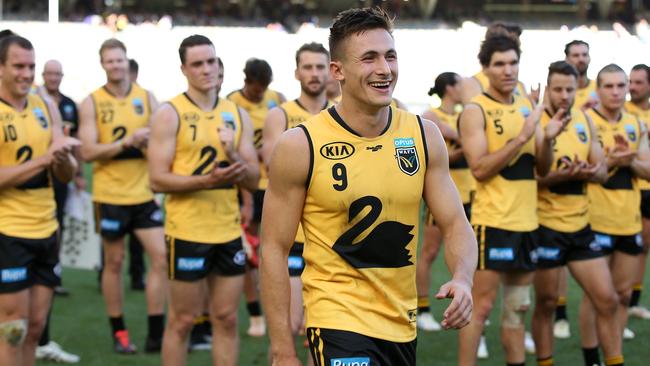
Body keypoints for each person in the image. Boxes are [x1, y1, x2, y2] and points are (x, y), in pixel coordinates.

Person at [261, 7, 476, 365]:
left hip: (401, 324)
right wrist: (283, 350)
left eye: (390, 56)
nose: (384, 69)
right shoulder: (300, 145)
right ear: (338, 71)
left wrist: (464, 279)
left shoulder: (423, 135)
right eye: (369, 58)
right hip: (336, 320)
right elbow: (273, 249)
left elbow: (455, 223)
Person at [148, 34, 259, 366]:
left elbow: (254, 179)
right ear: (184, 69)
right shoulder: (170, 113)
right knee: (182, 321)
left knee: (225, 319)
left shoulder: (236, 114)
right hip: (187, 234)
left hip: (226, 233)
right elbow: (156, 179)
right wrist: (205, 181)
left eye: (211, 61)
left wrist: (233, 153)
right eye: (198, 64)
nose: (206, 69)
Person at [457, 35, 566, 366]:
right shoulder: (476, 110)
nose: (508, 70)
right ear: (486, 69)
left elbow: (542, 168)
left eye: (513, 63)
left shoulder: (527, 105)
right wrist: (522, 136)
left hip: (527, 223)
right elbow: (479, 168)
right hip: (493, 223)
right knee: (481, 306)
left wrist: (546, 138)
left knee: (518, 308)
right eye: (499, 64)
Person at [78, 38, 167, 354]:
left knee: (160, 257)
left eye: (119, 60)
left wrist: (150, 143)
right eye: (109, 61)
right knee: (113, 264)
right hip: (110, 196)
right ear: (102, 64)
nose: (115, 65)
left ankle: (156, 331)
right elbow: (88, 151)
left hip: (143, 195)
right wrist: (127, 142)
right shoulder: (91, 102)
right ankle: (119, 332)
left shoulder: (147, 98)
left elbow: (164, 142)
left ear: (127, 61)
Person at [530, 60, 622, 366]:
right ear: (548, 88)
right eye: (558, 89)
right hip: (545, 226)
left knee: (607, 300)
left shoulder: (584, 119)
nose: (564, 95)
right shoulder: (535, 122)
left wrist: (587, 171)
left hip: (581, 227)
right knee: (545, 303)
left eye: (570, 89)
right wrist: (559, 174)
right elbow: (535, 177)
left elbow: (601, 173)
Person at [0, 35, 80, 366]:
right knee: (12, 330)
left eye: (31, 66)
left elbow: (66, 172)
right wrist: (46, 159)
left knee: (35, 329)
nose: (26, 73)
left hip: (47, 229)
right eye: (18, 66)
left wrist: (63, 159)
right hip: (8, 232)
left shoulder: (45, 105)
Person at [261, 41, 331, 360]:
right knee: (289, 326)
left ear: (332, 70)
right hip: (293, 237)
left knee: (331, 331)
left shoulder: (343, 114)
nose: (314, 74)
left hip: (332, 237)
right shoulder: (281, 115)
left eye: (320, 67)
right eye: (308, 67)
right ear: (296, 72)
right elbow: (274, 166)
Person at [580, 64, 650, 366]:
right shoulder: (586, 122)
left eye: (621, 86)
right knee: (596, 296)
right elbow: (586, 171)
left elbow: (648, 170)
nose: (616, 91)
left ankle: (614, 353)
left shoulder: (636, 123)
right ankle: (591, 357)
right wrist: (612, 159)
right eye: (609, 86)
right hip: (595, 220)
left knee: (621, 294)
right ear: (598, 89)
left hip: (628, 220)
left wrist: (629, 159)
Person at [227, 57, 285, 337]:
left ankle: (286, 308)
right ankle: (255, 315)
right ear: (246, 82)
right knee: (251, 252)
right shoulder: (233, 104)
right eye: (256, 89)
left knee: (277, 250)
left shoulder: (278, 99)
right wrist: (246, 199)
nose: (260, 94)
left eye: (264, 89)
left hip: (277, 186)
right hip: (249, 187)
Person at [32, 59, 82, 364]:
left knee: (32, 311)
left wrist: (69, 165)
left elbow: (69, 160)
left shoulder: (52, 107)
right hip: (12, 220)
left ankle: (43, 340)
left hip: (45, 205)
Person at [417, 72, 471, 334]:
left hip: (471, 197)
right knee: (428, 253)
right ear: (449, 88)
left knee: (469, 255)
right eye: (460, 84)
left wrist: (458, 137)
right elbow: (434, 158)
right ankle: (423, 308)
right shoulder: (431, 116)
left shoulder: (464, 115)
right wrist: (461, 145)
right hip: (442, 200)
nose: (464, 88)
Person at [624, 63, 650, 322]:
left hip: (648, 186)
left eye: (638, 82)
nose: (632, 87)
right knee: (632, 246)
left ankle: (633, 301)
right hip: (630, 188)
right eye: (630, 81)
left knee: (643, 248)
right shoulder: (621, 110)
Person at [126, 57, 147, 291]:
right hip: (113, 191)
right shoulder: (98, 100)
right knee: (112, 249)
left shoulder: (144, 98)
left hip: (141, 186)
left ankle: (137, 275)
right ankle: (104, 273)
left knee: (139, 241)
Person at [565, 40, 598, 111]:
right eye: (576, 55)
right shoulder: (560, 91)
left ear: (589, 58)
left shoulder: (600, 88)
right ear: (567, 59)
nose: (581, 59)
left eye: (585, 55)